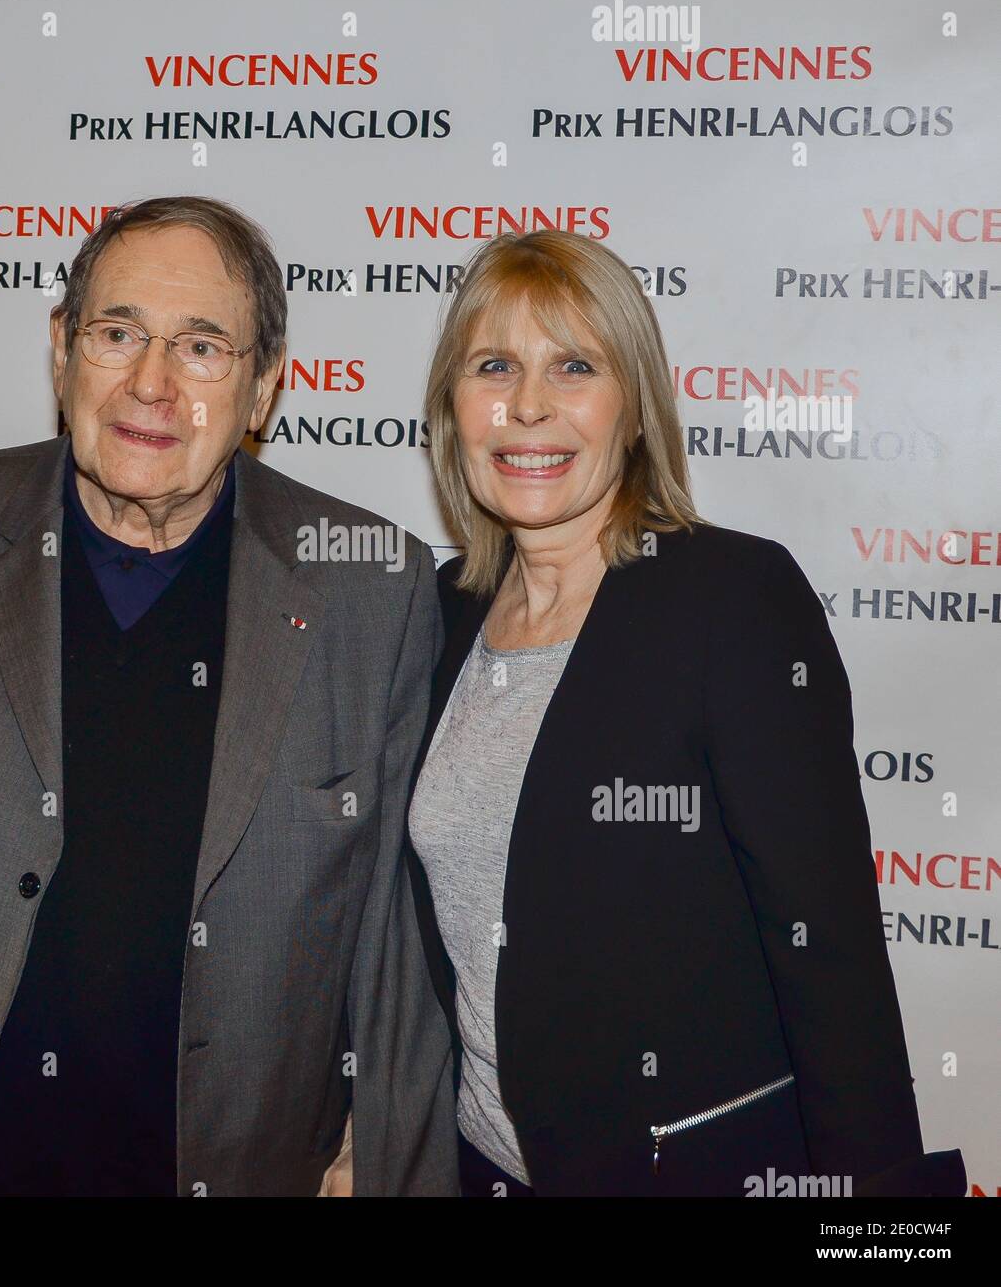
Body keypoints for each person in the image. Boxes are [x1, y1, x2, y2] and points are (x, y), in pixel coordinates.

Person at [0, 195, 457, 1198]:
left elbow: (393, 973)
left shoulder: (372, 591)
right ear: (61, 349)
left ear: (264, 389)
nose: (150, 383)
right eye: (117, 333)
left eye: (201, 348)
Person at [405, 228, 966, 1198]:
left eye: (573, 365)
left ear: (634, 410)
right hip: (481, 1166)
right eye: (493, 365)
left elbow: (826, 953)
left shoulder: (731, 599)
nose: (527, 404)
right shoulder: (440, 612)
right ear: (454, 408)